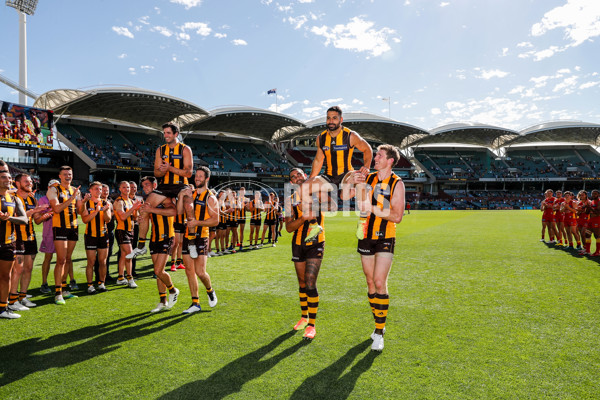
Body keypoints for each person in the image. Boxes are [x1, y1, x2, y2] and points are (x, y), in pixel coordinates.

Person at [346, 144, 405, 352]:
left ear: (389, 161)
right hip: (365, 235)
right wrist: (351, 180)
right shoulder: (368, 178)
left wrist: (372, 208)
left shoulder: (397, 183)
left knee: (380, 282)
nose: (375, 157)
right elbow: (346, 196)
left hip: (385, 237)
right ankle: (378, 323)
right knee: (370, 282)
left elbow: (397, 216)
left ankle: (379, 333)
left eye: (379, 155)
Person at [302, 106, 373, 241]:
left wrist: (367, 166)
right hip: (328, 175)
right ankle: (314, 225)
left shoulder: (350, 135)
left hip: (346, 174)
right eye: (328, 118)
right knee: (304, 187)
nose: (331, 121)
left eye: (334, 118)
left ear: (340, 119)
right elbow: (318, 160)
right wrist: (311, 180)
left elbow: (367, 149)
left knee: (358, 180)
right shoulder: (321, 138)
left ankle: (363, 221)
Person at [128, 123, 193, 259]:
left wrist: (170, 169)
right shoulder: (160, 150)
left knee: (188, 204)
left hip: (181, 185)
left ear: (176, 134)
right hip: (165, 186)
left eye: (169, 133)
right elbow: (156, 173)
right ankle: (141, 246)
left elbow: (188, 173)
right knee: (145, 208)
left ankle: (191, 243)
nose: (166, 136)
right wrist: (162, 171)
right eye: (164, 133)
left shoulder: (185, 149)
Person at [285, 168, 325, 340]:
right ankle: (304, 316)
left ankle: (312, 325)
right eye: (293, 177)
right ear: (292, 182)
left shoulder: (317, 193)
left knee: (310, 282)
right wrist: (301, 218)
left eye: (299, 174)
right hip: (298, 244)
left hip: (316, 243)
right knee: (302, 283)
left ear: (305, 176)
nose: (297, 177)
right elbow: (288, 227)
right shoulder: (289, 200)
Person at [178, 166, 218, 313]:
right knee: (189, 271)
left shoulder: (211, 198)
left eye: (201, 176)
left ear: (207, 179)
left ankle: (210, 290)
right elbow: (179, 211)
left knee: (200, 272)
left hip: (202, 236)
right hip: (188, 236)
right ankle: (195, 303)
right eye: (196, 176)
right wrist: (182, 195)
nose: (197, 178)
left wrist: (197, 223)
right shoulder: (190, 194)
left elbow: (215, 221)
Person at [139, 176, 180, 313]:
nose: (145, 188)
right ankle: (163, 301)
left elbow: (173, 212)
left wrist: (152, 210)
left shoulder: (165, 197)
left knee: (158, 270)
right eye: (143, 186)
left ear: (155, 184)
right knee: (158, 273)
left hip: (166, 237)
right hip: (154, 238)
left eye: (147, 185)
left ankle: (173, 290)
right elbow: (145, 219)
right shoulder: (148, 201)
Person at [47, 166, 85, 305]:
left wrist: (83, 201)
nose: (68, 176)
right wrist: (72, 198)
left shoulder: (75, 190)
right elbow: (56, 209)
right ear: (60, 176)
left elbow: (80, 211)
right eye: (65, 174)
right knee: (61, 260)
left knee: (68, 259)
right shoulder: (54, 189)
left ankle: (64, 289)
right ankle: (58, 293)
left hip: (73, 227)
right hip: (60, 227)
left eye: (70, 174)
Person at [9, 173, 47, 310]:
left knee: (28, 268)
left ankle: (22, 296)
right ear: (17, 184)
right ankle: (12, 301)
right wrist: (33, 212)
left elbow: (36, 220)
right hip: (17, 238)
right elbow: (15, 218)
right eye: (26, 182)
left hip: (30, 237)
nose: (30, 183)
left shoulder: (32, 199)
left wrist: (42, 214)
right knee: (17, 269)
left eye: (31, 181)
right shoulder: (12, 198)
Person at [0, 167, 28, 319]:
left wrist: (8, 218)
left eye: (9, 178)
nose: (8, 180)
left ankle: (3, 309)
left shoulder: (15, 199)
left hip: (8, 243)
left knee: (5, 276)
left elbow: (24, 220)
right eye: (4, 177)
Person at [80, 181, 112, 294]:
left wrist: (107, 210)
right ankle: (90, 285)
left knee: (103, 262)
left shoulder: (105, 202)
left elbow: (108, 220)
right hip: (90, 236)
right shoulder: (86, 203)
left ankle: (101, 283)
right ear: (91, 190)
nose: (99, 191)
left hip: (103, 235)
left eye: (100, 189)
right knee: (91, 262)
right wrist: (96, 212)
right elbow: (85, 220)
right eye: (96, 189)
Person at [114, 181, 142, 288]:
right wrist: (133, 208)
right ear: (120, 189)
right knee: (130, 254)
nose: (127, 189)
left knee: (123, 255)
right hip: (122, 230)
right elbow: (122, 217)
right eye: (124, 187)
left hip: (131, 230)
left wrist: (138, 212)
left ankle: (120, 277)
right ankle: (130, 278)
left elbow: (135, 217)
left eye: (128, 187)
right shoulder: (119, 201)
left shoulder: (130, 201)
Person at [37, 181, 55, 294]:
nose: (55, 189)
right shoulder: (43, 199)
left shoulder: (62, 197)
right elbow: (38, 219)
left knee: (65, 259)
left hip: (63, 232)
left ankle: (64, 283)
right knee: (48, 258)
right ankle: (44, 283)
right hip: (49, 232)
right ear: (48, 187)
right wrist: (48, 214)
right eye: (53, 187)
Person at [576, 190, 591, 255]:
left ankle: (587, 249)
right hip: (580, 220)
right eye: (580, 195)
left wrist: (582, 210)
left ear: (586, 195)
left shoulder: (589, 202)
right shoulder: (579, 202)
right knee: (581, 234)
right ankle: (585, 248)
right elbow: (578, 213)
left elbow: (589, 211)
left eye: (583, 195)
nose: (581, 196)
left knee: (583, 234)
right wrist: (578, 211)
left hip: (587, 219)